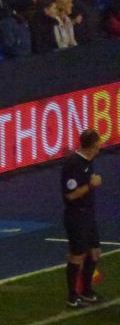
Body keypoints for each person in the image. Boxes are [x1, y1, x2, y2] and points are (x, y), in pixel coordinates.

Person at [61, 129, 103, 308]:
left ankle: (86, 290)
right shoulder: (73, 165)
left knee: (94, 252)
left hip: (88, 213)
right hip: (76, 215)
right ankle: (72, 296)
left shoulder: (89, 160)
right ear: (93, 145)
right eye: (99, 142)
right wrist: (90, 186)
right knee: (77, 255)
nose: (101, 144)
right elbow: (69, 195)